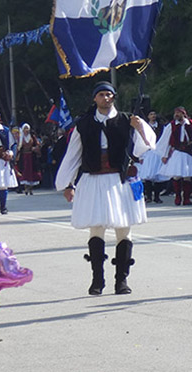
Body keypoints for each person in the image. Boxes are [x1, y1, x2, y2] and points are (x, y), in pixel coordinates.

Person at [55, 82, 156, 295]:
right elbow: (73, 155)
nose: (106, 98)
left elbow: (145, 146)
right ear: (95, 98)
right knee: (96, 227)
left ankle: (121, 280)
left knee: (124, 229)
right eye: (101, 94)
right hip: (94, 179)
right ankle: (97, 280)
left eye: (109, 94)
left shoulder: (127, 120)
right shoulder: (83, 124)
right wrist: (67, 183)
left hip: (120, 180)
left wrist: (140, 127)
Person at [157, 106, 192, 206]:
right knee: (176, 176)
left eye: (178, 113)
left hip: (188, 152)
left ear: (183, 114)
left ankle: (186, 198)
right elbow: (166, 140)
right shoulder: (171, 126)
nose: (176, 115)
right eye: (175, 113)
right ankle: (177, 197)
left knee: (187, 176)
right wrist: (164, 155)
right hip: (177, 152)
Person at [17, 123, 42, 195]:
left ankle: (30, 189)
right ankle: (26, 188)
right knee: (25, 172)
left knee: (32, 172)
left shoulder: (32, 137)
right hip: (24, 157)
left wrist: (35, 148)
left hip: (31, 156)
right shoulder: (21, 138)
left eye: (27, 128)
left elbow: (37, 144)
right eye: (25, 129)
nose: (26, 130)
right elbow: (19, 147)